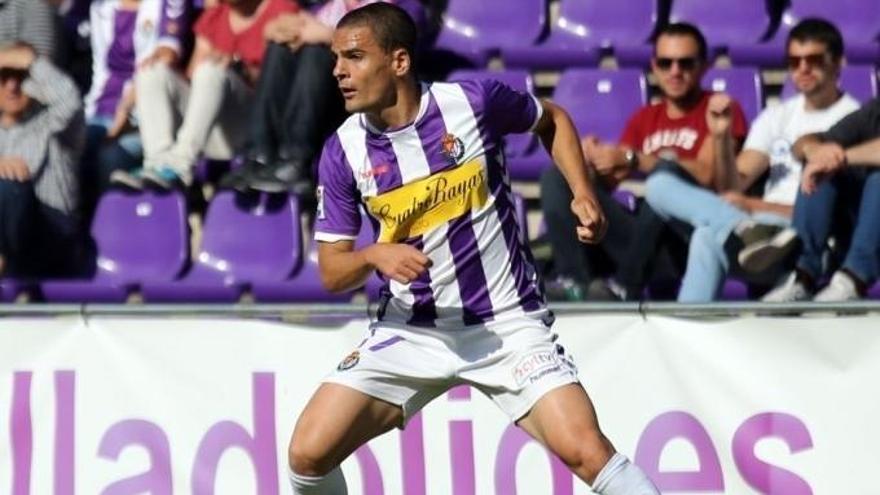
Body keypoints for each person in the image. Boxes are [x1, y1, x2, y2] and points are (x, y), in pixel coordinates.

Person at [286, 4, 660, 495]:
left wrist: (583, 192)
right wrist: (374, 255)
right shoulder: (342, 150)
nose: (338, 71)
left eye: (354, 56)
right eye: (336, 57)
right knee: (307, 454)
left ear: (399, 62)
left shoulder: (472, 102)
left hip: (505, 324)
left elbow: (554, 120)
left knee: (588, 452)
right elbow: (333, 273)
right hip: (411, 330)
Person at [643, 18, 860, 302]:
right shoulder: (777, 116)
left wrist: (752, 205)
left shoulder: (855, 121)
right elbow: (734, 185)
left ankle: (737, 231)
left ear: (838, 62)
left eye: (814, 59)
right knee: (659, 185)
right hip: (756, 235)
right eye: (794, 61)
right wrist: (720, 138)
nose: (803, 68)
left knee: (708, 233)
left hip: (803, 238)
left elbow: (832, 213)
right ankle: (689, 325)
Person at [540, 22, 748, 301]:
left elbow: (708, 176)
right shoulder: (644, 117)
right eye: (666, 63)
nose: (675, 71)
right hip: (640, 239)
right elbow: (613, 176)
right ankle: (573, 280)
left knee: (664, 180)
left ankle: (626, 285)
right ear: (654, 66)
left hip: (686, 242)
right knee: (558, 176)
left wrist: (636, 159)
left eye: (685, 63)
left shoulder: (718, 109)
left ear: (704, 66)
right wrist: (590, 161)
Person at [220, 0, 427, 197]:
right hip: (322, 97)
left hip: (361, 99)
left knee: (316, 51)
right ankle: (260, 154)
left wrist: (329, 36)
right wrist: (278, 29)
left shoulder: (401, 7)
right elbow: (296, 28)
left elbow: (392, 47)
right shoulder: (327, 8)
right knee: (280, 46)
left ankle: (297, 161)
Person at [112, 0, 299, 190]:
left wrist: (240, 68)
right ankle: (157, 164)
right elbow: (194, 78)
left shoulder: (282, 9)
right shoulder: (216, 16)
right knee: (153, 72)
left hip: (250, 129)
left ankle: (179, 166)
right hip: (206, 129)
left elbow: (282, 83)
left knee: (212, 71)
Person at [80, 0, 192, 221]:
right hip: (101, 109)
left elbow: (166, 57)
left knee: (110, 157)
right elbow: (100, 69)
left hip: (147, 116)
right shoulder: (100, 8)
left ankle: (110, 232)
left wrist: (126, 111)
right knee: (73, 148)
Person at [761, 99, 880, 301]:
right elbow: (804, 142)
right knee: (821, 172)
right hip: (856, 226)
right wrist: (814, 151)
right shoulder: (874, 112)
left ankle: (853, 280)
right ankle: (801, 275)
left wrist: (835, 159)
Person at [0, 43, 84, 277]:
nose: (13, 86)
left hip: (54, 235)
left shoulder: (53, 124)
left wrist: (32, 62)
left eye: (21, 77)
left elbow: (70, 101)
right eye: (4, 76)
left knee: (10, 188)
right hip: (13, 243)